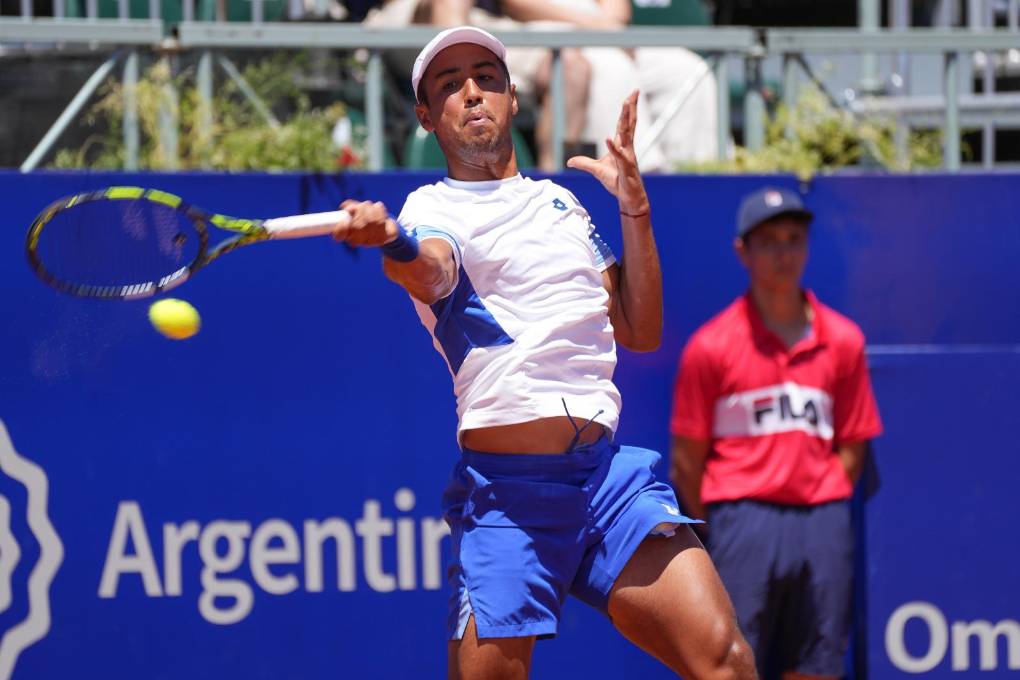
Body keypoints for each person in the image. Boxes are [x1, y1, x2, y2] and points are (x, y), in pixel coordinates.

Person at [331, 25, 755, 680]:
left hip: (606, 481)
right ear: (426, 116)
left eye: (487, 78)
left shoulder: (563, 204)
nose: (472, 93)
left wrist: (634, 211)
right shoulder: (430, 209)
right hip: (507, 497)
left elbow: (640, 330)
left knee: (726, 660)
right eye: (450, 85)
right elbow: (431, 271)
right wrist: (393, 241)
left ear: (512, 98)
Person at [670, 187, 883, 680]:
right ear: (743, 251)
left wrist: (818, 493)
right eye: (768, 242)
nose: (783, 254)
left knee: (818, 663)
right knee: (731, 663)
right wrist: (730, 523)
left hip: (822, 522)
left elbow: (853, 444)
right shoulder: (711, 347)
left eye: (793, 239)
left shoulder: (844, 341)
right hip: (741, 523)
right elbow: (687, 462)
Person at [429, 0, 720, 169]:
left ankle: (697, 177)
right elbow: (516, 4)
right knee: (608, 64)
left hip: (603, 29)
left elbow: (617, 13)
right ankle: (633, 178)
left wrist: (606, 28)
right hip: (538, 25)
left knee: (686, 70)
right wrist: (598, 27)